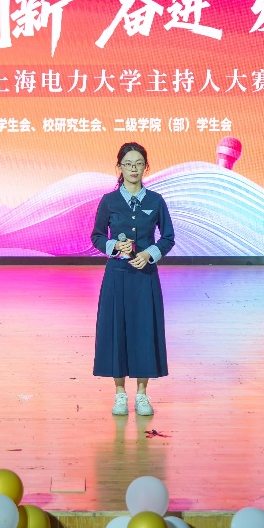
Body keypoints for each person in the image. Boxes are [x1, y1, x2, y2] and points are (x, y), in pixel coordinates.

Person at [90, 142, 175, 416]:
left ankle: (141, 394)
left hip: (145, 276)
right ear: (120, 167)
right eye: (128, 164)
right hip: (117, 276)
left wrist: (149, 254)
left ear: (146, 167)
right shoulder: (109, 201)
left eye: (139, 163)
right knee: (116, 330)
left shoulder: (155, 201)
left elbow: (168, 237)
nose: (133, 168)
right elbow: (96, 236)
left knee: (144, 331)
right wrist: (114, 246)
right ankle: (119, 394)